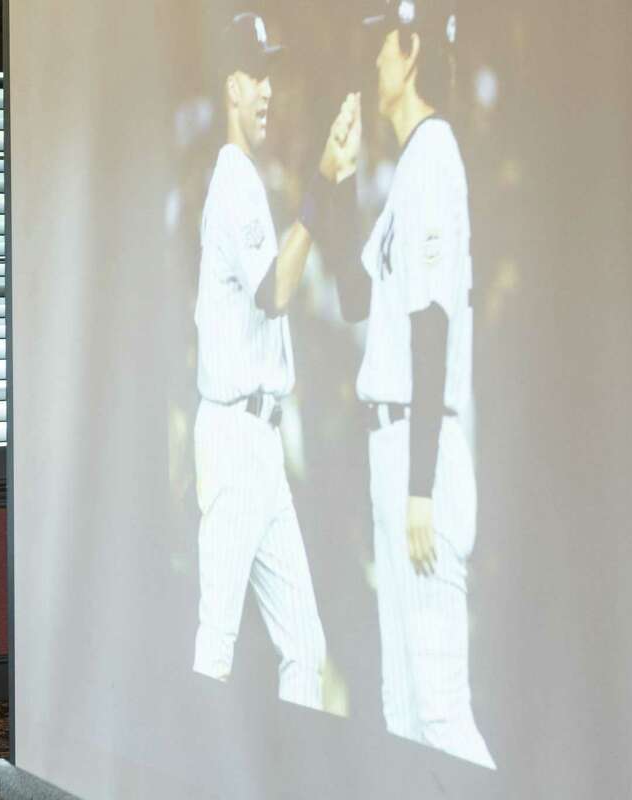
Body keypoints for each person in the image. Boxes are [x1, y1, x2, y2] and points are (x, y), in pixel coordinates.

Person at [309, 0, 495, 767]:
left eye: (381, 45)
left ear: (412, 50)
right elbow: (356, 299)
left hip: (426, 449)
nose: (373, 60)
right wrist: (339, 183)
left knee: (442, 713)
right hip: (395, 446)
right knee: (401, 709)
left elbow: (432, 322)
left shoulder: (437, 154)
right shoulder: (408, 166)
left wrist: (420, 486)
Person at [191, 12, 356, 709]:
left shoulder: (245, 176)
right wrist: (322, 178)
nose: (265, 89)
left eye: (269, 75)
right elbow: (277, 290)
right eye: (254, 74)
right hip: (235, 436)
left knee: (305, 649)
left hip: (257, 439)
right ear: (229, 83)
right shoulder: (233, 177)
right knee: (215, 646)